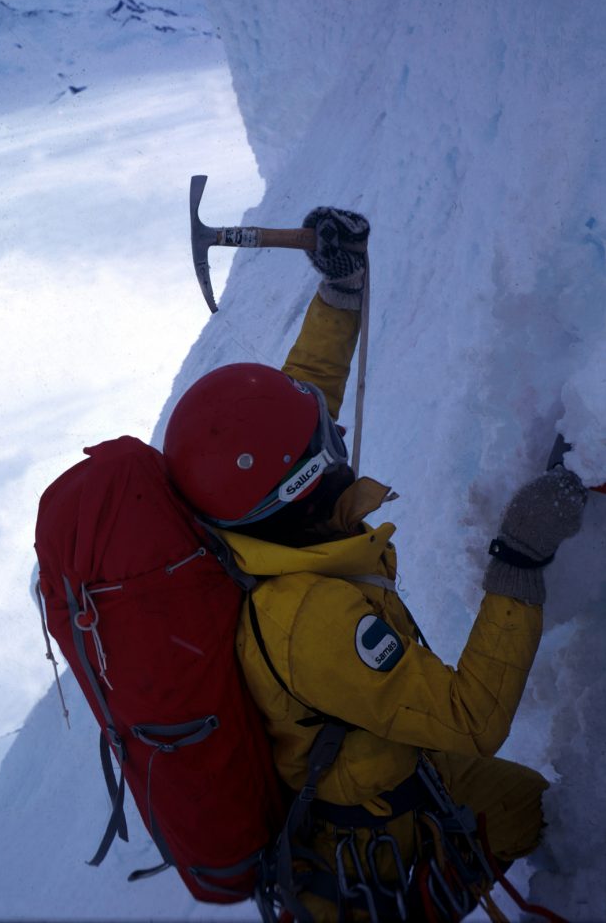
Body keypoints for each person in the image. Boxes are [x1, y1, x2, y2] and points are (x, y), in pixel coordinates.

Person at [164, 208, 586, 921]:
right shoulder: (312, 618)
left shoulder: (261, 522)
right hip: (372, 837)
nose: (335, 441)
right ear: (301, 486)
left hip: (383, 772)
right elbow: (470, 718)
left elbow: (302, 400)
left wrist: (339, 291)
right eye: (321, 449)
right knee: (509, 810)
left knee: (520, 806)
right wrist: (519, 556)